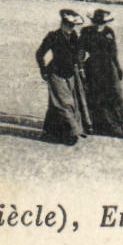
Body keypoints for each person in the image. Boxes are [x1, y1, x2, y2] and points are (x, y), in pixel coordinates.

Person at [35, 9, 91, 145]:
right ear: (63, 23)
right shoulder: (53, 36)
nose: (71, 28)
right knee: (65, 103)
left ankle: (51, 132)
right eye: (69, 25)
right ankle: (72, 132)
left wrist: (81, 66)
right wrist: (43, 70)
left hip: (71, 73)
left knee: (59, 103)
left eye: (73, 26)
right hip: (55, 73)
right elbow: (39, 53)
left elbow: (79, 53)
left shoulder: (74, 36)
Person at [81, 9, 123, 138]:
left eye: (102, 22)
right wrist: (80, 67)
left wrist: (118, 68)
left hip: (108, 67)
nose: (100, 25)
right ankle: (97, 125)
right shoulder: (86, 32)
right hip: (93, 67)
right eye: (98, 22)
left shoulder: (109, 32)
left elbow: (114, 52)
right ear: (93, 21)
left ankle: (118, 127)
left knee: (113, 95)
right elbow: (81, 51)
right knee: (95, 96)